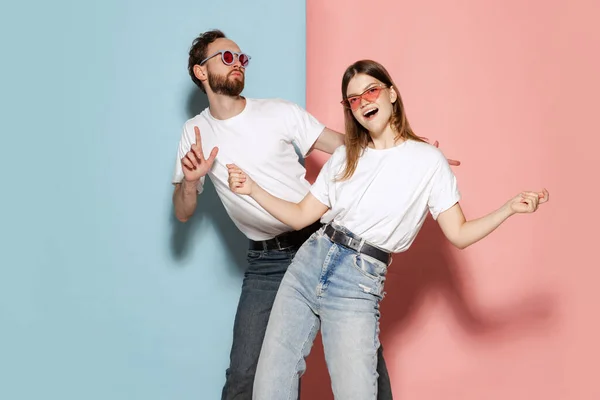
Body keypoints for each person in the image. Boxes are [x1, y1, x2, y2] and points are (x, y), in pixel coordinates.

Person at [226, 59, 549, 400]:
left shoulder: (428, 161)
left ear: (392, 94)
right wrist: (252, 190)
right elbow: (299, 217)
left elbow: (459, 234)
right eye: (353, 99)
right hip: (308, 264)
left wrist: (508, 209)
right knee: (269, 386)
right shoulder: (345, 157)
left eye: (371, 90)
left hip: (358, 280)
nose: (364, 101)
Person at [173, 30, 460, 400]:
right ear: (201, 71)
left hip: (317, 242)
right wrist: (190, 181)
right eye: (227, 58)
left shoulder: (278, 111)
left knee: (366, 364)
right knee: (244, 375)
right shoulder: (194, 132)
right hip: (265, 261)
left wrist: (408, 152)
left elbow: (348, 144)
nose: (238, 64)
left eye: (242, 58)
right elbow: (183, 212)